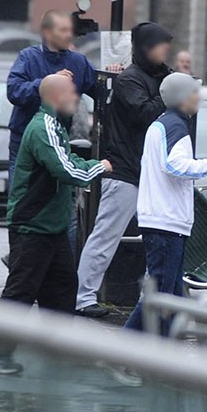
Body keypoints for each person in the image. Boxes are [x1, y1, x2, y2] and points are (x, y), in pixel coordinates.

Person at [0, 75, 112, 375]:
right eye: (72, 93)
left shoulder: (55, 126)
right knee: (19, 293)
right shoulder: (43, 128)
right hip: (33, 227)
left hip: (50, 228)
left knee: (62, 290)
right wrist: (100, 166)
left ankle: (55, 354)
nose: (77, 99)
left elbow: (67, 161)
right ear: (56, 97)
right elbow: (67, 170)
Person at [125, 74, 207, 334]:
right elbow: (175, 166)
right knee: (162, 298)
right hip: (166, 221)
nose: (198, 97)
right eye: (194, 92)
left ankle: (161, 357)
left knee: (172, 296)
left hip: (162, 219)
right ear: (183, 97)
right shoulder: (177, 125)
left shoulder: (161, 124)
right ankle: (123, 351)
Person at [75, 22, 172, 318]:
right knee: (106, 235)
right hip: (125, 170)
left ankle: (154, 300)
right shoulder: (130, 79)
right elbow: (143, 113)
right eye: (160, 44)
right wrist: (170, 95)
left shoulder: (165, 77)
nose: (165, 49)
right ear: (145, 47)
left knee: (159, 239)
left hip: (154, 173)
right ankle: (83, 297)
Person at [7, 10, 98, 173]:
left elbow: (100, 92)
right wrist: (47, 82)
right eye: (63, 30)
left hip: (60, 144)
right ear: (48, 33)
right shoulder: (28, 57)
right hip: (24, 142)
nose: (69, 35)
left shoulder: (78, 61)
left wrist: (113, 74)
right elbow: (14, 91)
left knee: (58, 196)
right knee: (23, 195)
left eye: (70, 30)